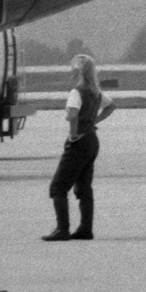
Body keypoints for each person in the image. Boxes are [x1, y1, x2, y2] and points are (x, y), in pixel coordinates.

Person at [43, 54, 115, 241]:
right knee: (84, 188)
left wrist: (73, 133)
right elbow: (111, 106)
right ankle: (85, 228)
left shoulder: (77, 92)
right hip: (92, 140)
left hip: (79, 142)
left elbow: (72, 114)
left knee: (58, 187)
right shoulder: (95, 92)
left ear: (76, 71)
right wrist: (93, 121)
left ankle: (62, 229)